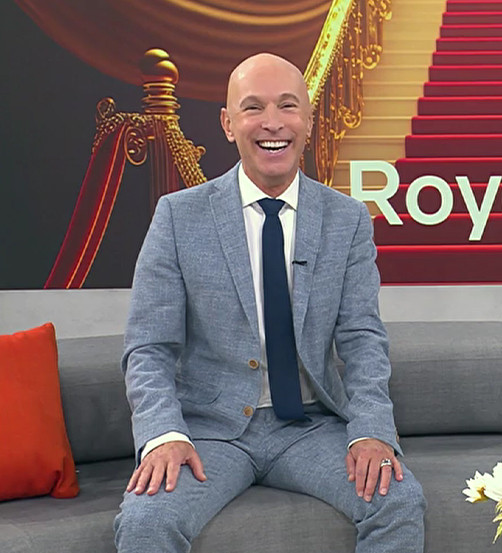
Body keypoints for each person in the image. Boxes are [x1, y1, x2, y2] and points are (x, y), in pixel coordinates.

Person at [115, 52, 426, 552]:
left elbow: (363, 340)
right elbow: (148, 348)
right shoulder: (178, 216)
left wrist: (372, 430)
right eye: (253, 107)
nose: (272, 123)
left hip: (309, 426)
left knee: (399, 501)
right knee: (147, 520)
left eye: (287, 106)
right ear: (228, 123)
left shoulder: (346, 220)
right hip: (209, 431)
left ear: (309, 120)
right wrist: (163, 434)